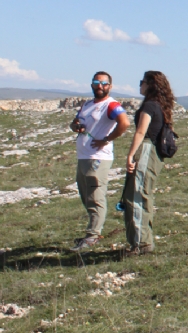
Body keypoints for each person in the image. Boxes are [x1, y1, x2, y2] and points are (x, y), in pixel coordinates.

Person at [69, 72, 129, 251]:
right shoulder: (87, 105)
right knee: (86, 196)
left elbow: (124, 123)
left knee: (95, 196)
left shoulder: (111, 105)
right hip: (83, 157)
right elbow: (74, 122)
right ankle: (93, 231)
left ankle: (93, 236)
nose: (100, 86)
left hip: (98, 158)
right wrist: (75, 126)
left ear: (110, 86)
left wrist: (108, 138)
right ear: (92, 84)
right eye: (96, 82)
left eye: (104, 83)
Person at [121, 71, 174, 255]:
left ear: (150, 85)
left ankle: (140, 244)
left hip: (146, 151)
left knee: (136, 196)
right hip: (154, 154)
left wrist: (130, 155)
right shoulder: (160, 105)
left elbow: (140, 132)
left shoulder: (150, 106)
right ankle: (143, 241)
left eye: (142, 82)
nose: (139, 85)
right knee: (142, 195)